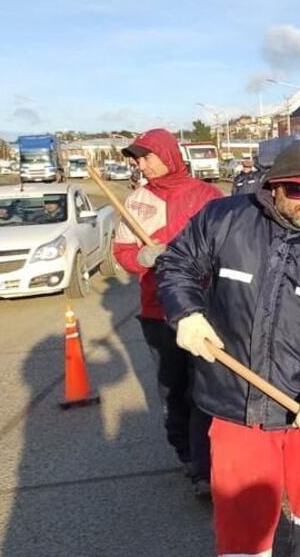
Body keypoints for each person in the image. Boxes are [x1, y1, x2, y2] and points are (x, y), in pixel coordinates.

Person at [155, 141, 300, 557]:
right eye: (296, 189)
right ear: (272, 187)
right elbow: (176, 263)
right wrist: (185, 311)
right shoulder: (224, 219)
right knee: (243, 525)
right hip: (237, 404)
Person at [112, 128, 223, 497]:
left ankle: (213, 462)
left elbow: (229, 246)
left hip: (206, 310)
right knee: (174, 389)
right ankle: (190, 458)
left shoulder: (208, 196)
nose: (142, 164)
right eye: (137, 159)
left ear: (169, 154)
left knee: (207, 388)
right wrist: (142, 257)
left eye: (147, 156)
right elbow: (123, 252)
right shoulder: (137, 201)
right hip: (158, 312)